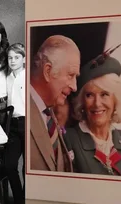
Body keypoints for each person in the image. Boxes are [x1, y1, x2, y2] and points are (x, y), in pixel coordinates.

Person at [64, 47, 121, 176]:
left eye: (104, 94)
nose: (97, 103)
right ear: (81, 102)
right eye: (89, 95)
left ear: (116, 100)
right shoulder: (68, 140)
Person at [29, 35, 80, 172]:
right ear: (47, 71)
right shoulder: (23, 110)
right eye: (70, 75)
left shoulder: (49, 115)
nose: (74, 86)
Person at [5, 43, 25, 204]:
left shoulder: (28, 77)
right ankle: (18, 200)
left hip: (27, 123)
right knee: (10, 164)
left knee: (28, 167)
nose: (12, 61)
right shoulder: (8, 77)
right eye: (10, 57)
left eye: (16, 57)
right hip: (12, 124)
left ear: (24, 59)